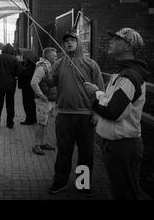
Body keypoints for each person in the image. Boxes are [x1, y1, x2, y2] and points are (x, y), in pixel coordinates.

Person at [84, 28, 149, 200]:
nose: (110, 41)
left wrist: (93, 97)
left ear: (128, 46)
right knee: (122, 189)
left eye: (116, 39)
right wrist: (98, 92)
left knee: (124, 193)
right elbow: (110, 101)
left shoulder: (129, 76)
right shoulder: (124, 74)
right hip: (119, 145)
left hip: (123, 147)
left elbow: (112, 111)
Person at [47, 31, 104, 196]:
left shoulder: (91, 64)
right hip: (64, 114)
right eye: (66, 41)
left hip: (86, 115)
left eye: (72, 40)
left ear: (78, 43)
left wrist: (96, 113)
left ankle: (83, 184)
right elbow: (51, 83)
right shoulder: (58, 64)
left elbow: (100, 90)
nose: (69, 43)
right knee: (64, 152)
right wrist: (46, 73)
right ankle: (60, 182)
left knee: (86, 153)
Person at [30, 47, 58, 155]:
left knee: (45, 123)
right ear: (46, 56)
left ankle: (43, 143)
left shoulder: (49, 66)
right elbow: (33, 83)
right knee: (41, 123)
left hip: (49, 99)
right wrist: (41, 95)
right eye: (53, 55)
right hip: (43, 100)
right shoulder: (41, 67)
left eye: (56, 55)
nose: (55, 57)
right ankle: (36, 145)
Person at [0, 43, 23, 129]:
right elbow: (19, 71)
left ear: (3, 50)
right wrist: (14, 75)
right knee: (10, 104)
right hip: (11, 84)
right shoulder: (15, 60)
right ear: (11, 51)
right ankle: (10, 123)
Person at [18, 50, 39, 125]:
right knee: (31, 103)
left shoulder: (29, 67)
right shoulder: (33, 65)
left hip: (27, 87)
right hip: (30, 87)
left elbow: (25, 75)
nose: (23, 57)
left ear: (27, 58)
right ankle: (33, 118)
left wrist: (21, 70)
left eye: (24, 56)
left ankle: (29, 119)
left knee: (27, 103)